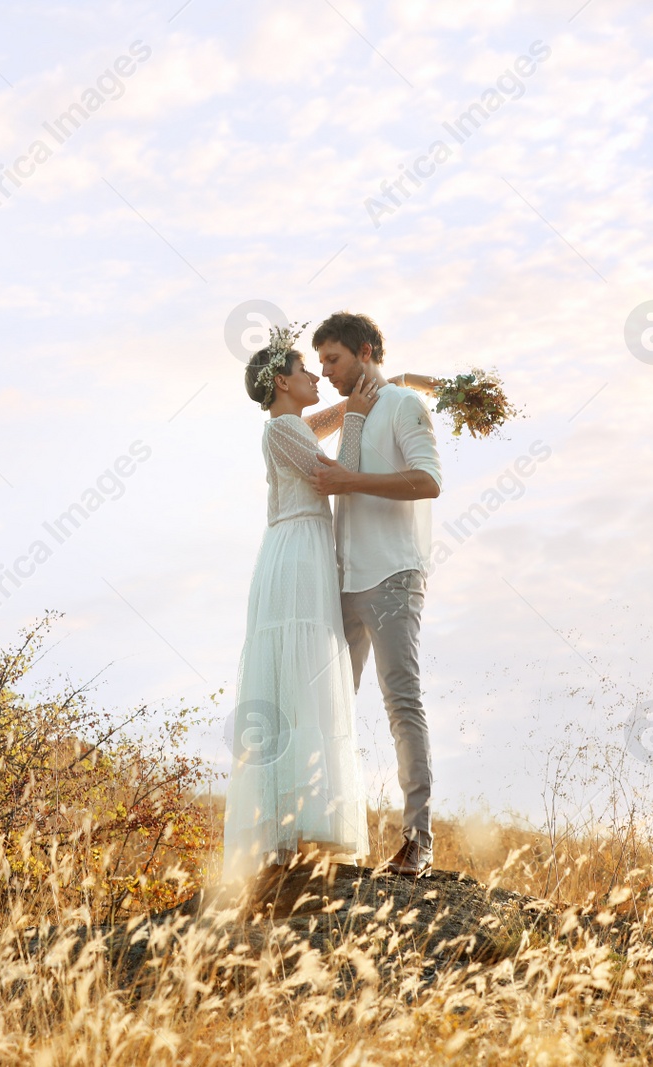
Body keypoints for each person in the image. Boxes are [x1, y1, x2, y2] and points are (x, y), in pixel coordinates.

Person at [221, 325, 380, 882]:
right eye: (306, 370)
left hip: (303, 550)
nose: (318, 375)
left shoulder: (289, 425)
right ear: (283, 382)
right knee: (297, 675)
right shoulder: (282, 430)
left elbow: (319, 426)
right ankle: (289, 830)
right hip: (295, 557)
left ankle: (299, 826)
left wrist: (369, 395)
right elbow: (339, 476)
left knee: (302, 677)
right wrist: (357, 416)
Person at [306, 312, 442, 878]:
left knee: (400, 703)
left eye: (334, 360)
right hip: (344, 579)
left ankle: (419, 842)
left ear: (364, 350)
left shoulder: (407, 406)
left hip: (392, 576)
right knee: (330, 705)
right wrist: (360, 399)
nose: (327, 372)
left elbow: (428, 481)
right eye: (320, 364)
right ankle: (323, 833)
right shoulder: (357, 411)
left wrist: (349, 480)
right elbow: (302, 428)